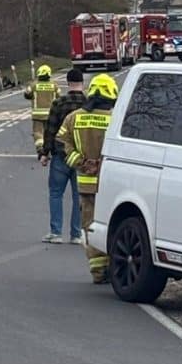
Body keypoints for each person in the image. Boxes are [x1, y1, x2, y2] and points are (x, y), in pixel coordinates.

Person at [55, 73, 118, 284]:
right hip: (112, 186)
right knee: (115, 226)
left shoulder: (73, 118)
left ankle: (99, 272)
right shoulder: (116, 119)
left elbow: (62, 143)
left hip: (86, 185)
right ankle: (116, 268)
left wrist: (81, 163)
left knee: (90, 227)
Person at [38, 67, 86, 245]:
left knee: (56, 194)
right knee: (78, 196)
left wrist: (45, 153)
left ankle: (55, 232)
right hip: (82, 157)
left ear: (68, 83)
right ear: (82, 83)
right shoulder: (88, 104)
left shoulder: (59, 103)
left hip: (61, 155)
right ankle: (76, 234)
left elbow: (50, 130)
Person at [25, 64, 60, 153]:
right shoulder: (54, 85)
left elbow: (27, 94)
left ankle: (40, 148)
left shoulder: (33, 85)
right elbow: (59, 97)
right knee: (50, 132)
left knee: (38, 133)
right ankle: (51, 148)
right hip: (51, 115)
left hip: (38, 115)